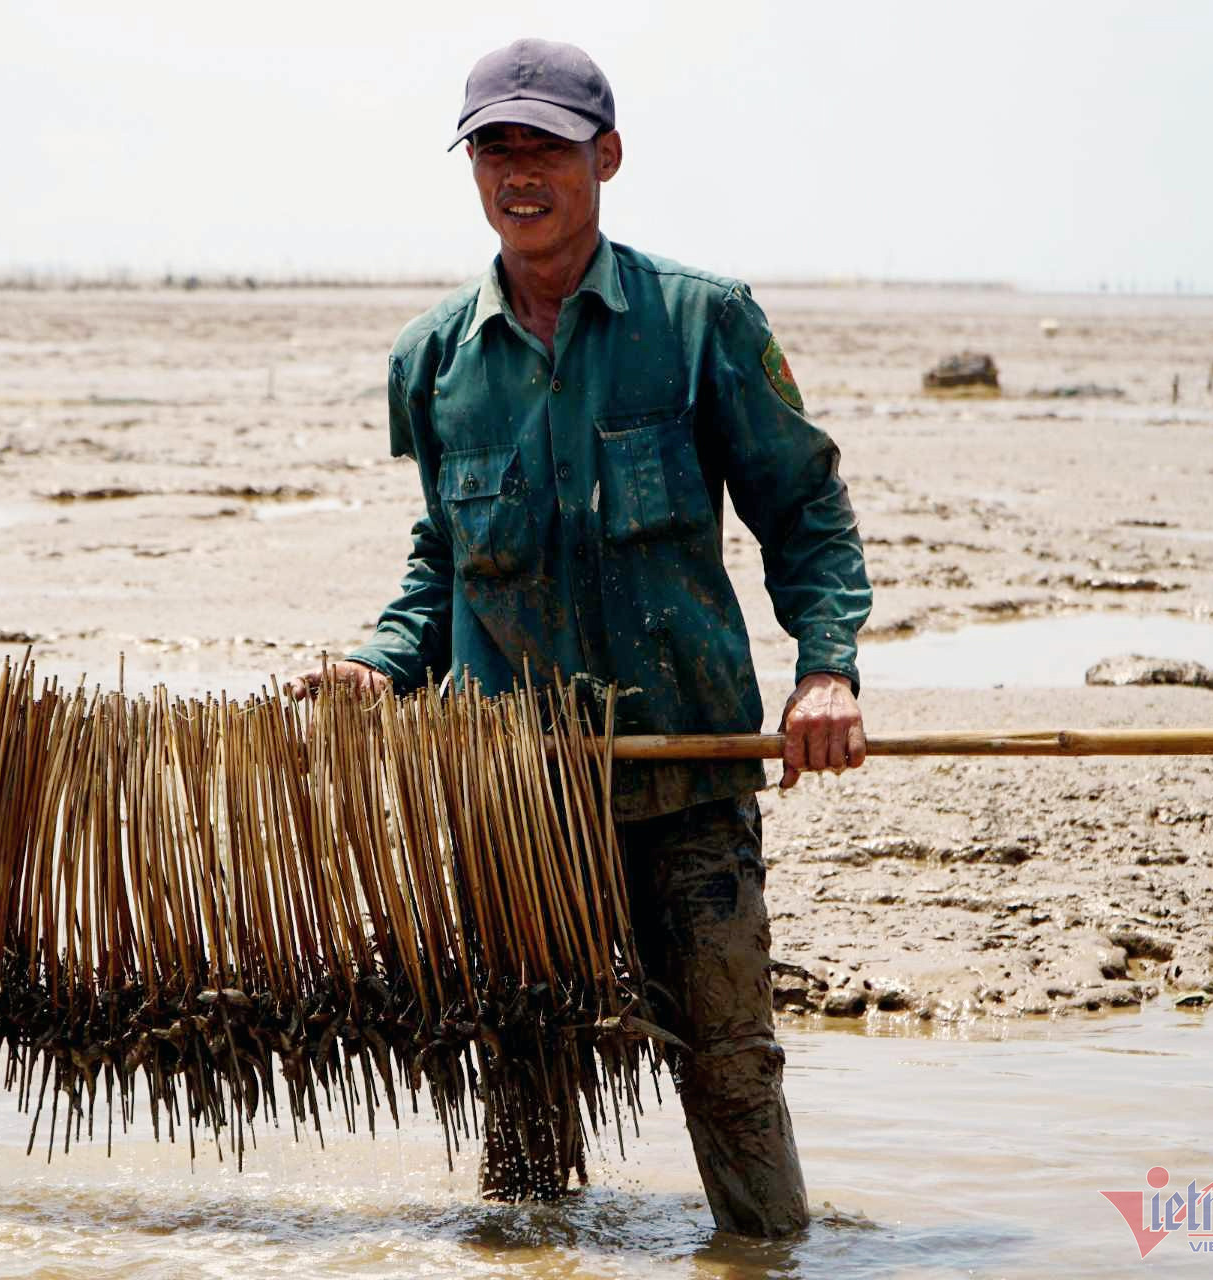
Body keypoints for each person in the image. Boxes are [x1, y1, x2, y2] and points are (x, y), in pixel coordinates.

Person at [286, 37, 871, 1239]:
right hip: (517, 796)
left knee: (729, 1065)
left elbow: (804, 510)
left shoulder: (701, 322)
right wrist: (381, 663)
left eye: (544, 143)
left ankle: (765, 1251)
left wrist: (824, 671)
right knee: (523, 1072)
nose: (519, 169)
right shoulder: (433, 360)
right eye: (494, 145)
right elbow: (445, 558)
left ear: (604, 155)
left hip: (687, 777)